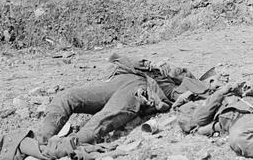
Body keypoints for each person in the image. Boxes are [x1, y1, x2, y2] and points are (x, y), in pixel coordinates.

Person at [36, 53, 209, 145]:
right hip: (120, 81)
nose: (168, 67)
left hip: (138, 88)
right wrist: (149, 65)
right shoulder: (134, 65)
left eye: (177, 71)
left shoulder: (172, 86)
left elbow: (181, 96)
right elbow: (118, 58)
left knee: (105, 117)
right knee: (67, 96)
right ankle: (42, 139)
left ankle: (67, 145)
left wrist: (180, 86)